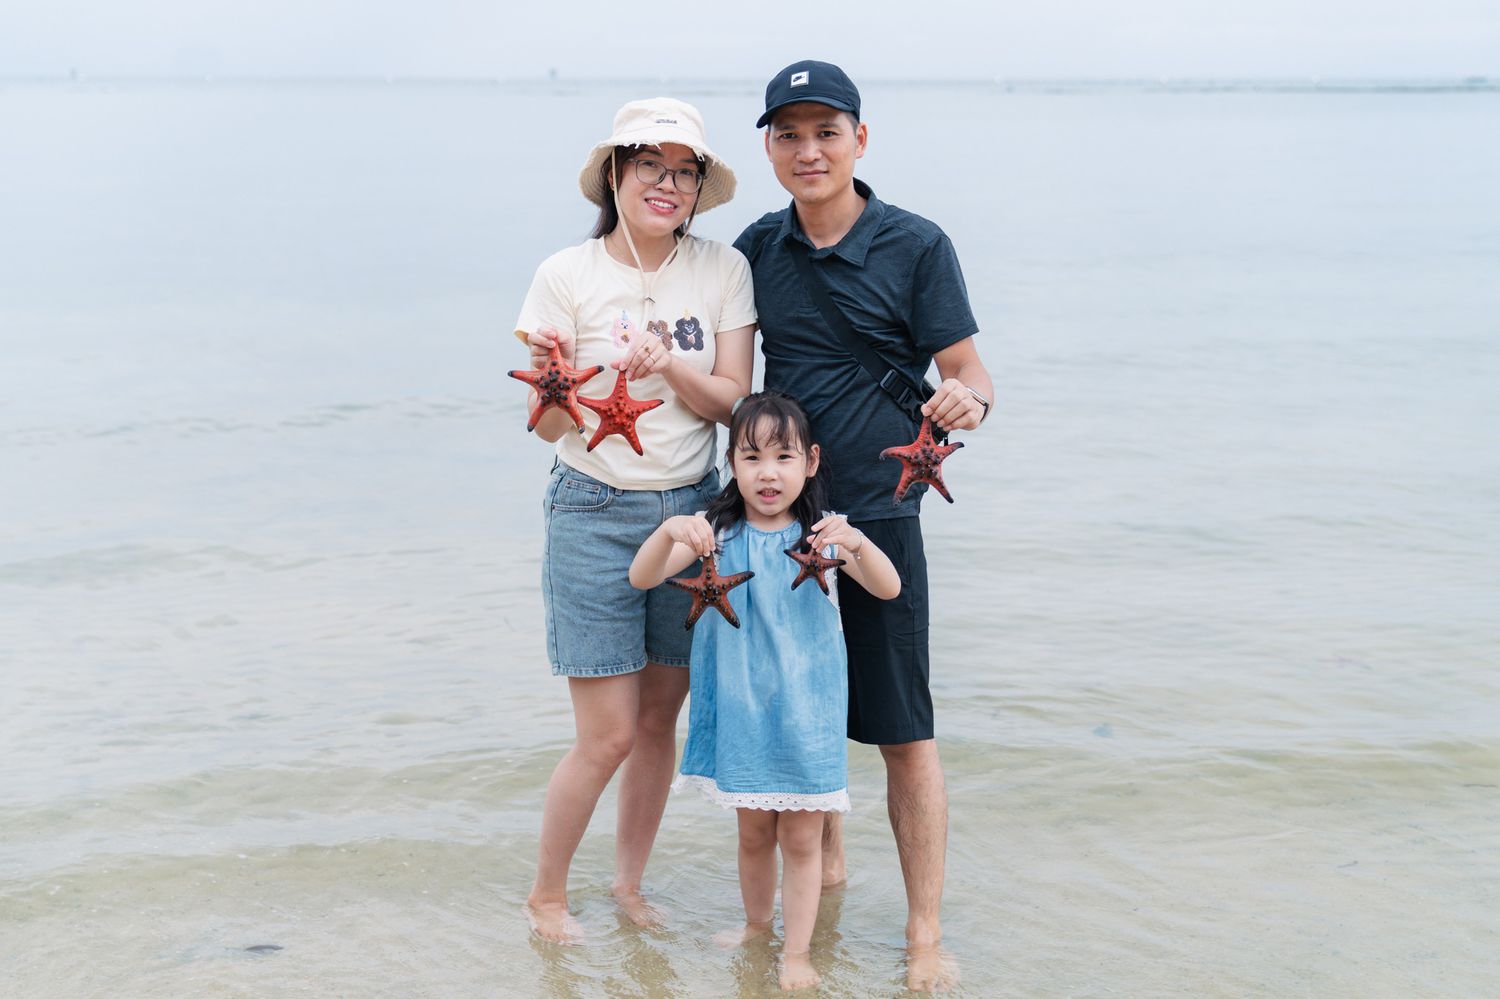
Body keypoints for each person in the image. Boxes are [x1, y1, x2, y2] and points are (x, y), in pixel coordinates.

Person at [732, 60, 995, 991]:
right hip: (782, 520)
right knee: (798, 709)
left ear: (860, 140)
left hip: (882, 516)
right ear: (769, 148)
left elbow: (969, 372)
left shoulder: (917, 244)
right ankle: (826, 877)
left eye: (826, 132)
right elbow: (727, 373)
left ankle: (923, 931)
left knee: (903, 729)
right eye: (789, 134)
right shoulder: (755, 248)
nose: (808, 150)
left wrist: (966, 402)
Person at [513, 97, 756, 942]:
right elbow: (546, 425)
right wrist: (560, 381)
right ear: (615, 172)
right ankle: (547, 896)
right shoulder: (565, 276)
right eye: (649, 164)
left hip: (692, 510)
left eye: (684, 171)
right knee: (607, 734)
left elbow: (733, 403)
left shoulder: (722, 270)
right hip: (594, 509)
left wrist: (673, 365)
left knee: (659, 721)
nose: (667, 183)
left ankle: (627, 885)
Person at [630, 391, 901, 991]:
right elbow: (642, 575)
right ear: (731, 463)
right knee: (752, 833)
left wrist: (858, 543)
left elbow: (888, 588)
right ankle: (757, 926)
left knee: (802, 839)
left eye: (784, 456)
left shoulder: (822, 538)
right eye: (751, 457)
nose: (768, 473)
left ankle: (796, 952)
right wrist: (670, 530)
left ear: (811, 461)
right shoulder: (714, 536)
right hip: (742, 711)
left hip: (809, 712)